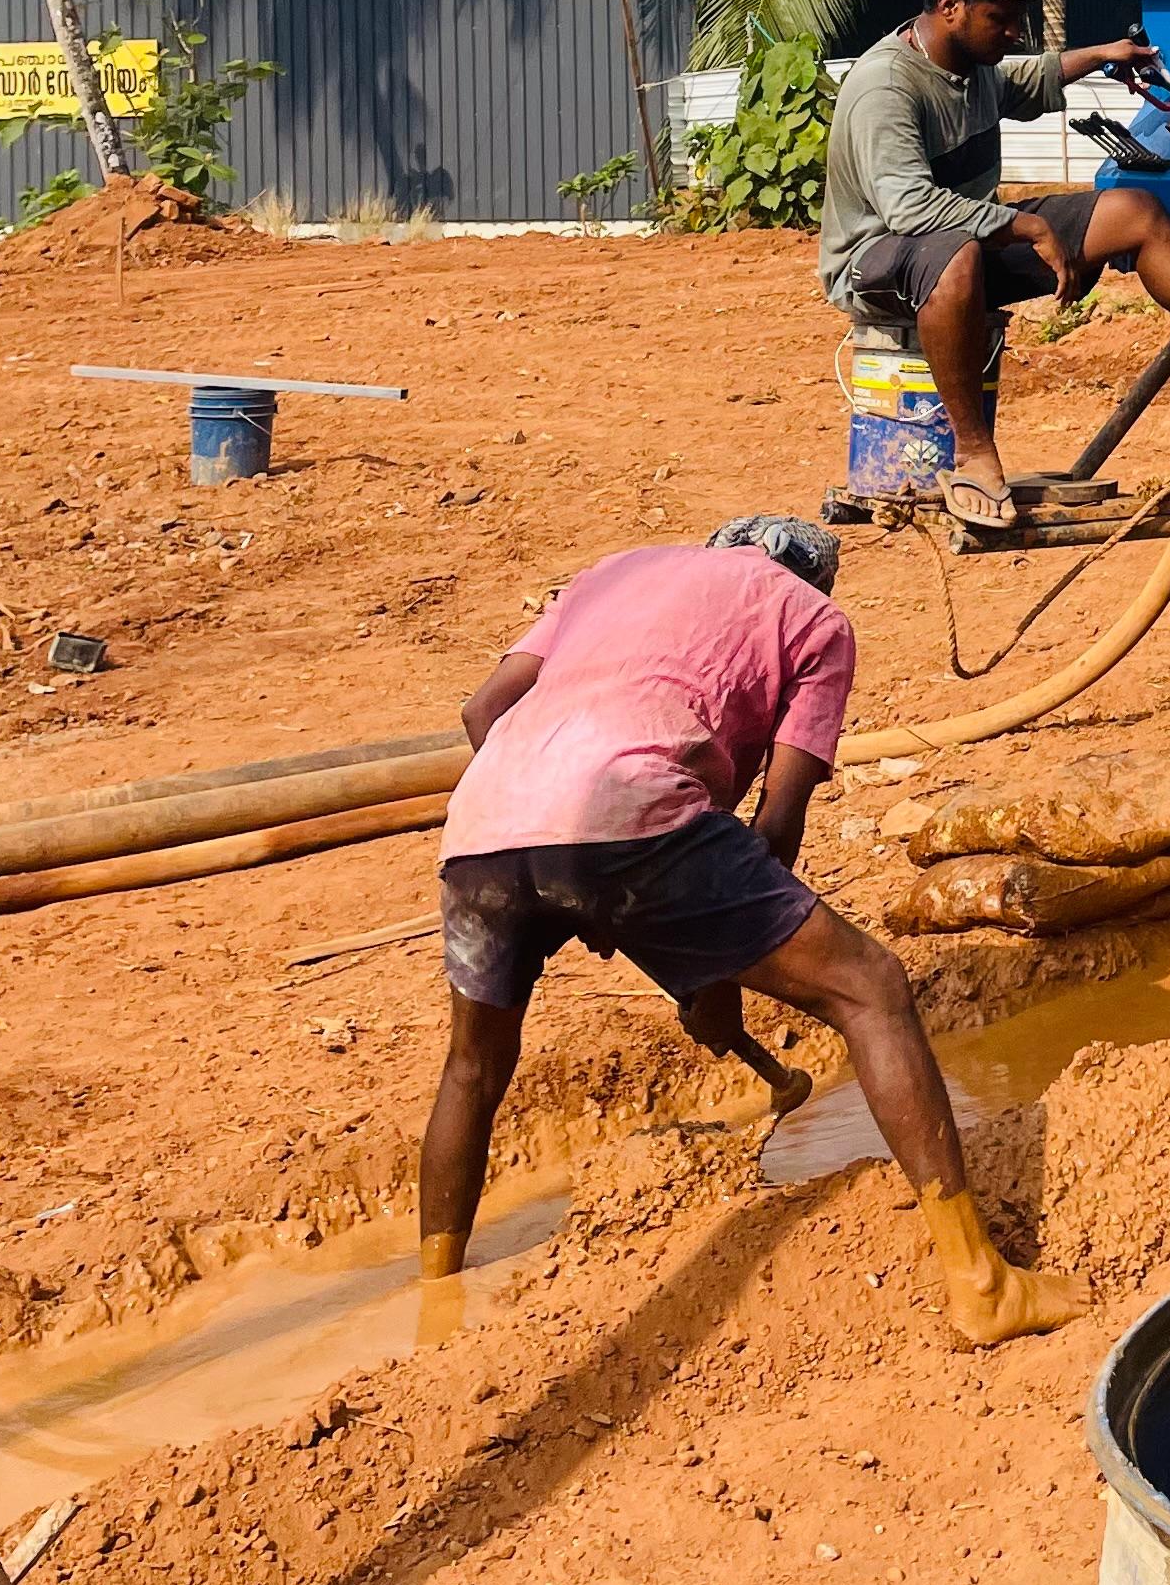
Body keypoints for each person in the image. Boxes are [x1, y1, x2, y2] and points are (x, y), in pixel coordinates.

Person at [419, 515, 1081, 1347]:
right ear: (813, 578)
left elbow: (483, 710)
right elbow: (775, 829)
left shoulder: (616, 567)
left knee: (472, 1069)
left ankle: (431, 1310)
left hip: (482, 822)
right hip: (629, 808)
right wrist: (670, 917)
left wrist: (609, 899)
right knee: (870, 988)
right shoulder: (812, 619)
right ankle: (983, 1287)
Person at [818, 0, 1170, 534]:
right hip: (878, 259)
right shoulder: (885, 86)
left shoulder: (971, 62)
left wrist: (1102, 54)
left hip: (964, 241)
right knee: (954, 257)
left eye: (1020, 18)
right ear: (949, 6)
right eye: (1002, 18)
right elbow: (909, 211)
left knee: (1133, 213)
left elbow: (1027, 81)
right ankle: (976, 457)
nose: (1014, 33)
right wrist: (1024, 225)